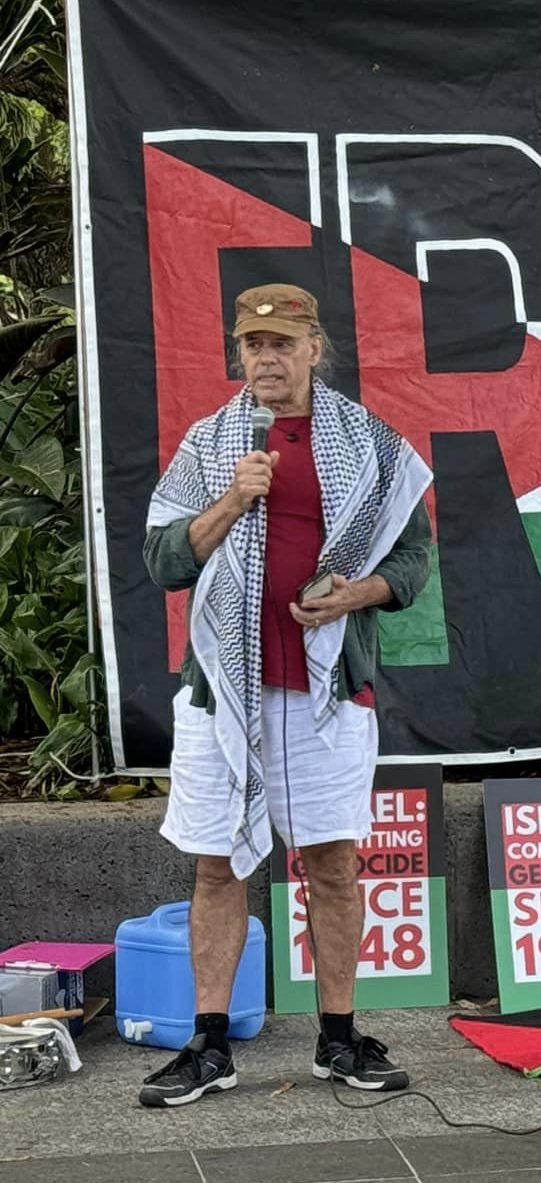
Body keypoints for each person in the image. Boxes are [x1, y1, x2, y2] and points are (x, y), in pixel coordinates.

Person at [139, 284, 433, 1107]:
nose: (266, 358)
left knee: (334, 868)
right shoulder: (211, 445)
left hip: (326, 694)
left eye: (281, 343)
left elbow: (412, 561)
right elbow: (165, 561)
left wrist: (356, 594)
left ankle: (338, 1040)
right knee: (214, 869)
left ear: (314, 349)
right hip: (222, 696)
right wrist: (235, 498)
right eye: (252, 345)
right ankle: (208, 1046)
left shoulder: (369, 445)